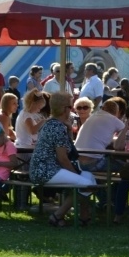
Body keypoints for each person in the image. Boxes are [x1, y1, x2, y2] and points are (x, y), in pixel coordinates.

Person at [29, 92, 97, 227]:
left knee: (89, 177)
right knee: (86, 184)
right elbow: (63, 158)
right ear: (64, 109)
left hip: (43, 168)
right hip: (46, 170)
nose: (71, 110)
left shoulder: (52, 124)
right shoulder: (57, 127)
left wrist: (69, 131)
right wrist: (76, 174)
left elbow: (68, 149)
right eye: (70, 107)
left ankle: (83, 216)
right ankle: (58, 215)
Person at [75, 98, 125, 172]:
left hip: (77, 162)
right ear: (116, 112)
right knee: (127, 167)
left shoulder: (92, 116)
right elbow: (127, 132)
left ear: (103, 108)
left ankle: (104, 183)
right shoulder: (114, 119)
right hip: (93, 163)